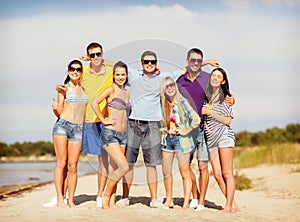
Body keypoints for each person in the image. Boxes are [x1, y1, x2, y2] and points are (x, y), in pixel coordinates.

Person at [176, 48, 235, 211]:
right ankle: (196, 196)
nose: (196, 63)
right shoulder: (181, 80)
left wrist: (230, 99)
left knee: (209, 168)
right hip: (189, 131)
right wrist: (207, 62)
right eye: (192, 60)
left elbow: (227, 110)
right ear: (188, 61)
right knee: (191, 168)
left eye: (199, 61)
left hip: (208, 132)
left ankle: (205, 202)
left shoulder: (216, 87)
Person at [56, 42, 113, 207]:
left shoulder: (110, 71)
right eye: (92, 55)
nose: (96, 58)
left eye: (98, 54)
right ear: (88, 56)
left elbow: (118, 66)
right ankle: (62, 196)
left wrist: (99, 60)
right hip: (80, 122)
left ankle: (100, 195)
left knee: (103, 160)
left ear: (102, 54)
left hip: (101, 121)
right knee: (68, 162)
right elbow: (68, 86)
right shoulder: (82, 71)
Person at [91, 61, 130, 209]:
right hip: (110, 134)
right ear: (113, 76)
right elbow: (95, 103)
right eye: (118, 74)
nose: (120, 77)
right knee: (124, 166)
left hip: (123, 135)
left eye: (123, 74)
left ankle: (111, 201)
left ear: (126, 76)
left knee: (116, 169)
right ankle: (105, 194)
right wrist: (103, 120)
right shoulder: (111, 89)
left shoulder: (127, 92)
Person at [201, 67, 239, 213]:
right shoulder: (206, 97)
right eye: (213, 75)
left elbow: (228, 121)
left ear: (223, 81)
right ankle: (233, 204)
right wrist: (207, 62)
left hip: (224, 136)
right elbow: (193, 71)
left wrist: (210, 113)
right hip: (210, 139)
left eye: (219, 76)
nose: (215, 77)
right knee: (217, 174)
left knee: (227, 173)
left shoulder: (226, 98)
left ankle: (228, 206)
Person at [160, 77, 200, 209]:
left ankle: (185, 203)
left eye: (172, 85)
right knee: (166, 172)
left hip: (181, 141)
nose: (170, 88)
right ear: (164, 89)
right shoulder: (164, 104)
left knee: (184, 173)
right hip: (167, 140)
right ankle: (169, 200)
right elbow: (160, 122)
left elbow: (196, 119)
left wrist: (185, 130)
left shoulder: (182, 102)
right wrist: (164, 129)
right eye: (167, 86)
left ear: (175, 86)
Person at [52, 60, 88, 207]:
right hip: (63, 126)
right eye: (72, 69)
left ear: (81, 73)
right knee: (62, 163)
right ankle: (60, 198)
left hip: (78, 128)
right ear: (68, 71)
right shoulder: (63, 89)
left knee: (73, 166)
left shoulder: (84, 89)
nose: (75, 72)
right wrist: (54, 108)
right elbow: (59, 112)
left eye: (78, 70)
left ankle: (71, 200)